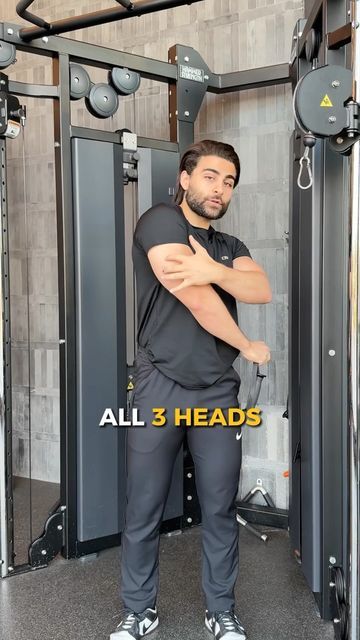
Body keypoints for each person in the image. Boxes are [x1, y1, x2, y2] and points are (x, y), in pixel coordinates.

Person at [110, 140, 272, 640]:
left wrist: (215, 269)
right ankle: (140, 611)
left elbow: (260, 287)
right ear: (185, 178)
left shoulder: (231, 246)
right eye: (210, 176)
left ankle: (220, 610)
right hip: (159, 384)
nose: (219, 189)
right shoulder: (160, 221)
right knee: (144, 503)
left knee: (220, 505)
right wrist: (247, 343)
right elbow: (195, 296)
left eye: (228, 182)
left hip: (217, 393)